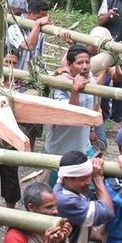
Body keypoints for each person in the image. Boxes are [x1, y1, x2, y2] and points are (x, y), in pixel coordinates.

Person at [44, 45, 96, 182]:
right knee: (57, 189)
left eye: (87, 62)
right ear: (69, 65)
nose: (85, 66)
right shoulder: (61, 85)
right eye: (79, 63)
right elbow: (70, 116)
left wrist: (92, 128)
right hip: (60, 150)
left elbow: (94, 106)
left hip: (83, 146)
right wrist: (75, 90)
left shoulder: (91, 79)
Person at [6, 0, 50, 71]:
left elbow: (37, 57)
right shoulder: (13, 29)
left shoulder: (40, 30)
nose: (41, 21)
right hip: (12, 76)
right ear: (29, 13)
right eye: (38, 18)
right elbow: (28, 46)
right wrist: (37, 23)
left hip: (28, 78)